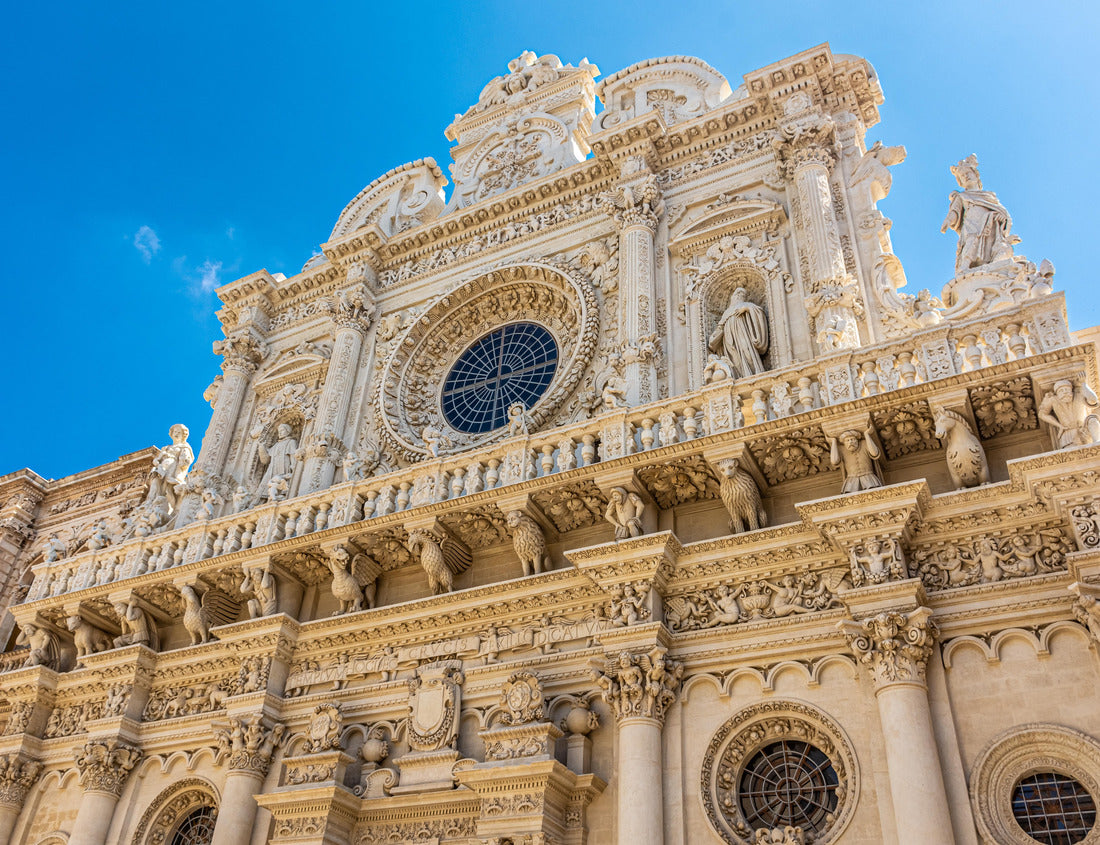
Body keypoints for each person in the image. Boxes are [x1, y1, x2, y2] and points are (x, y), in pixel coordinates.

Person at [940, 154, 1017, 274]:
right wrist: (948, 221)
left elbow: (1002, 212)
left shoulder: (989, 196)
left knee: (993, 244)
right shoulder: (962, 196)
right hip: (971, 225)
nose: (966, 176)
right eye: (962, 176)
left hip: (989, 225)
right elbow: (955, 211)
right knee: (971, 241)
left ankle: (992, 264)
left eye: (968, 173)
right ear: (960, 182)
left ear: (976, 175)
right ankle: (965, 267)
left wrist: (1002, 218)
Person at [708, 287, 769, 379]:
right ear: (733, 297)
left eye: (742, 294)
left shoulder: (748, 305)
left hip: (743, 334)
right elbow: (720, 326)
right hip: (729, 338)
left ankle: (753, 374)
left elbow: (759, 312)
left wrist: (747, 309)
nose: (739, 296)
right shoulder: (726, 312)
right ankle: (739, 376)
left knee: (747, 352)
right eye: (737, 294)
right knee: (734, 358)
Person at [1038, 379, 1100, 449]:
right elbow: (1042, 414)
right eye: (1061, 391)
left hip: (1084, 429)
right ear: (1057, 394)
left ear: (1072, 391)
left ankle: (1097, 442)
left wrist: (1083, 383)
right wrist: (1059, 425)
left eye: (1067, 390)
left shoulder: (1078, 395)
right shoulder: (1053, 400)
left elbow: (1093, 400)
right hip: (1069, 434)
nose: (1065, 392)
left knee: (1092, 419)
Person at [146, 424, 194, 511]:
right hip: (161, 467)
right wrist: (156, 462)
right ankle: (151, 501)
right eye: (175, 432)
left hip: (172, 467)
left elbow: (185, 462)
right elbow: (157, 459)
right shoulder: (166, 447)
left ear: (184, 435)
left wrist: (184, 461)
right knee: (155, 482)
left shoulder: (185, 447)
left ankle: (162, 501)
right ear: (171, 433)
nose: (176, 434)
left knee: (167, 486)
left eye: (179, 432)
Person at [259, 423, 298, 499]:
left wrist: (294, 470)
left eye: (282, 430)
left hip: (284, 468)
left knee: (282, 484)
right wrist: (261, 447)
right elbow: (265, 460)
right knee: (264, 487)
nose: (280, 432)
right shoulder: (276, 445)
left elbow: (293, 457)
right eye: (279, 431)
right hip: (272, 469)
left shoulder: (291, 442)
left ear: (288, 431)